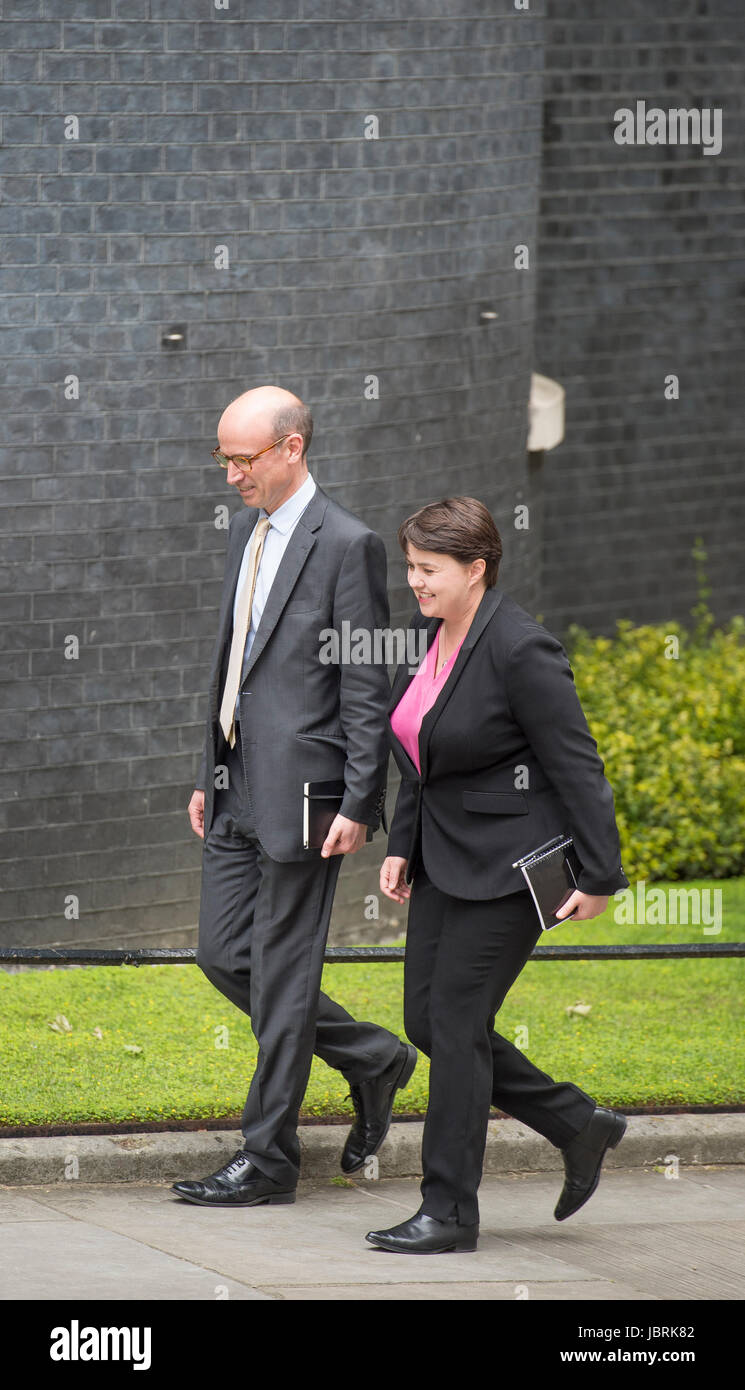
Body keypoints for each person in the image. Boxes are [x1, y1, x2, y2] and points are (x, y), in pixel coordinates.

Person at [172, 385, 416, 1209]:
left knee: (281, 975)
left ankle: (268, 1158)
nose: (230, 476)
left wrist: (359, 798)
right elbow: (234, 659)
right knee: (220, 954)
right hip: (235, 783)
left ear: (291, 449)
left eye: (241, 459)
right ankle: (371, 1056)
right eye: (223, 458)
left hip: (311, 800)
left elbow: (367, 680)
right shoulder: (245, 528)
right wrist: (210, 767)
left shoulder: (351, 544)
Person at [366, 496, 629, 1254]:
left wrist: (600, 874)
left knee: (452, 1024)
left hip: (517, 869)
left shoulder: (521, 649)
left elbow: (576, 764)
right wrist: (400, 844)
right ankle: (579, 1125)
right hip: (444, 859)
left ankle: (448, 1210)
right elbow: (419, 748)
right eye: (409, 566)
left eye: (428, 569)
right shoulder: (429, 636)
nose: (413, 582)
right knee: (428, 1021)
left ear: (475, 569)